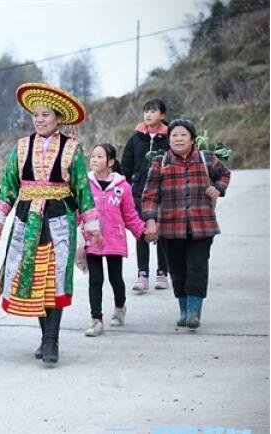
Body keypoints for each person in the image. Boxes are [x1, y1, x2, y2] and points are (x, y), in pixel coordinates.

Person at [0, 82, 101, 364]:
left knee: (54, 278)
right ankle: (44, 336)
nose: (39, 120)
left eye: (45, 115)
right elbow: (8, 186)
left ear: (58, 118)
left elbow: (82, 189)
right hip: (27, 219)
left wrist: (91, 226)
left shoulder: (71, 149)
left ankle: (52, 340)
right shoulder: (21, 147)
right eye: (35, 115)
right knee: (35, 277)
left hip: (58, 219)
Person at [143, 119, 230, 330]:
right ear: (169, 139)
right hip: (170, 227)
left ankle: (193, 312)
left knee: (197, 268)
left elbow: (225, 174)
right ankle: (183, 310)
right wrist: (151, 222)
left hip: (202, 225)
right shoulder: (160, 163)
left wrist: (218, 188)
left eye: (183, 135)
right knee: (177, 270)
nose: (179, 139)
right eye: (174, 135)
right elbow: (150, 194)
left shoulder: (206, 158)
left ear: (192, 139)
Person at [80, 143, 145, 337]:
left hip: (114, 240)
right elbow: (77, 211)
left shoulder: (123, 187)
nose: (94, 160)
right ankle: (97, 320)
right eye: (93, 156)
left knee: (115, 279)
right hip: (92, 239)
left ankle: (119, 307)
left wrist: (142, 232)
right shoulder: (84, 185)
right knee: (95, 280)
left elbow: (130, 215)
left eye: (100, 156)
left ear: (111, 162)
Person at [120, 98, 170, 292]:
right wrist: (126, 187)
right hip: (139, 192)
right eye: (146, 111)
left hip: (163, 192)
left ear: (162, 115)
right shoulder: (136, 139)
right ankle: (142, 274)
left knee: (162, 231)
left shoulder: (169, 138)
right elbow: (126, 166)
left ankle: (162, 272)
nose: (148, 114)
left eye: (153, 111)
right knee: (141, 232)